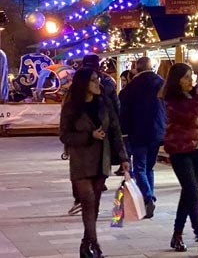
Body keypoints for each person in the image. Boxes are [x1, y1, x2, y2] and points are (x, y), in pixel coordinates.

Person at [60, 68, 129, 258]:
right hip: (81, 161)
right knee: (88, 199)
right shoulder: (72, 107)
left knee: (95, 203)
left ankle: (86, 244)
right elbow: (64, 135)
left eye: (97, 79)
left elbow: (115, 131)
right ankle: (95, 245)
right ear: (83, 84)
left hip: (102, 159)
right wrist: (89, 135)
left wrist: (123, 158)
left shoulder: (104, 103)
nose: (97, 83)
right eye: (92, 80)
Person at [161, 63, 198, 255]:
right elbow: (186, 116)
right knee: (192, 192)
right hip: (181, 151)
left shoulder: (194, 96)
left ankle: (177, 235)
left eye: (191, 76)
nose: (190, 80)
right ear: (176, 80)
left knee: (188, 194)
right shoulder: (172, 99)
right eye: (186, 77)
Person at [119, 56, 165, 219]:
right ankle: (148, 197)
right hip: (157, 131)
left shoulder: (131, 88)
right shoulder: (161, 83)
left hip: (138, 131)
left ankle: (148, 197)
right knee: (149, 167)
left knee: (139, 167)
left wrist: (124, 133)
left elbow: (124, 113)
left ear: (136, 69)